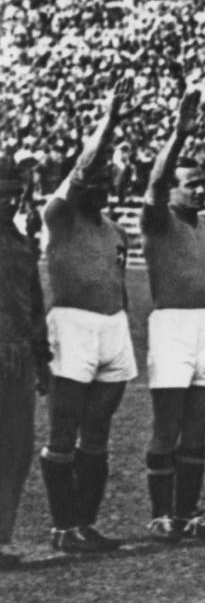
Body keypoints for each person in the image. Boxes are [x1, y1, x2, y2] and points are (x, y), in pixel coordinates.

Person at [141, 87, 205, 542]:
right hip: (172, 327)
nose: (199, 189)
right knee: (167, 425)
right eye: (190, 184)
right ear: (172, 189)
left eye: (203, 183)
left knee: (198, 429)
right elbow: (155, 183)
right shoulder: (158, 221)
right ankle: (161, 514)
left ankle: (187, 513)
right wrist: (179, 135)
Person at [39, 79, 135, 552]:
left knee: (98, 428)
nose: (100, 187)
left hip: (113, 329)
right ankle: (63, 526)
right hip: (72, 325)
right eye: (93, 181)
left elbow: (119, 283)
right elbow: (81, 169)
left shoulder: (116, 232)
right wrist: (111, 118)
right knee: (65, 426)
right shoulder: (59, 216)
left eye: (105, 181)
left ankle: (85, 523)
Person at [0, 152, 49, 568]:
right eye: (3, 193)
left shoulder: (20, 242)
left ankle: (1, 538)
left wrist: (42, 358)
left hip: (18, 357)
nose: (10, 201)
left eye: (15, 194)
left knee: (16, 451)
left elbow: (34, 303)